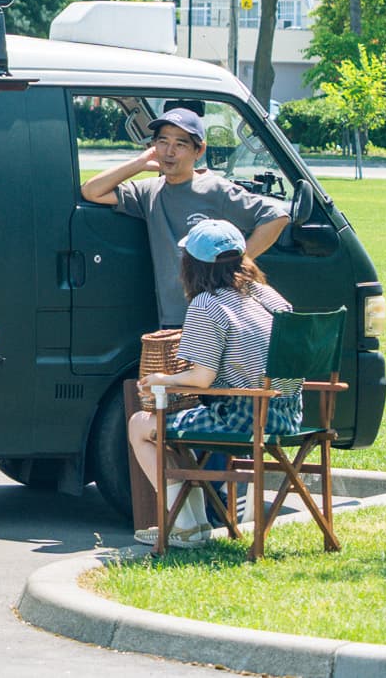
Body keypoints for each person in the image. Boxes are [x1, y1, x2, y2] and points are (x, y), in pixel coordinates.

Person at [128, 220, 303, 548]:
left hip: (244, 418)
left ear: (191, 265)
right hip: (289, 414)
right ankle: (190, 525)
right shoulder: (267, 296)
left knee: (141, 425)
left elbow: (201, 378)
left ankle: (187, 526)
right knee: (174, 433)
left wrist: (163, 381)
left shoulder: (206, 304)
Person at [80, 107, 289, 329]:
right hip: (173, 317)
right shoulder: (149, 192)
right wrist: (139, 163)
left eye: (180, 144)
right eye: (162, 142)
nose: (169, 151)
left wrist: (236, 264)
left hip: (215, 313)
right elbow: (92, 191)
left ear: (198, 151)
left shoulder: (215, 189)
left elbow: (276, 217)